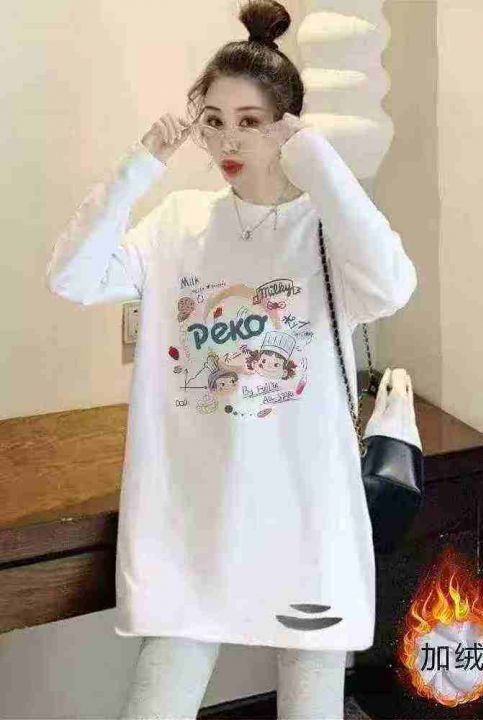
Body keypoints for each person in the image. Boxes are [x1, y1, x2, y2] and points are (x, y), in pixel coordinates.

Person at [45, 0, 418, 717]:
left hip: (306, 525)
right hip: (196, 527)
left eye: (250, 120)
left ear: (287, 127)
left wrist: (316, 160)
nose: (227, 139)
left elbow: (393, 285)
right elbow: (73, 276)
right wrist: (140, 166)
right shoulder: (180, 224)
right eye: (213, 119)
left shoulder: (324, 229)